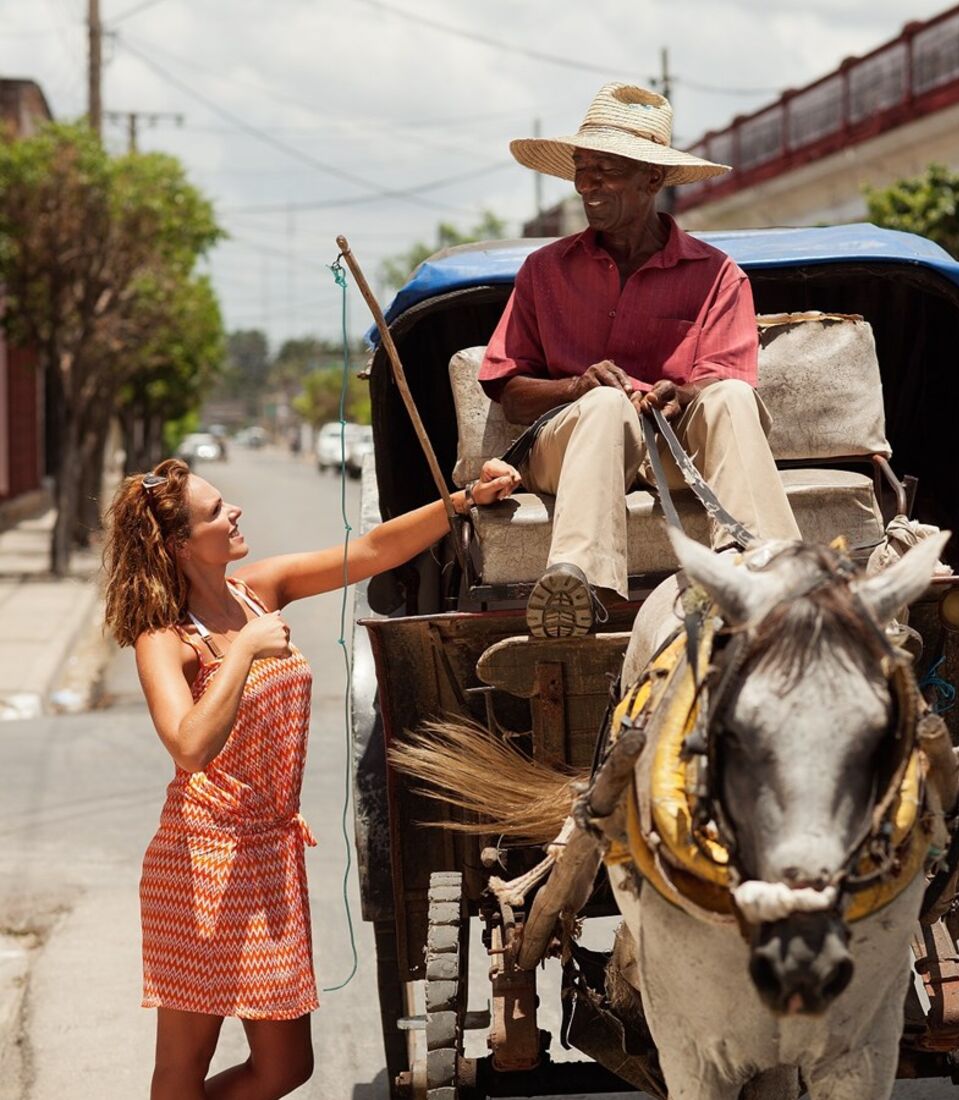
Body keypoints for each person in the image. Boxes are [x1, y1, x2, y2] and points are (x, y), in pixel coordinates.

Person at [102, 455, 518, 1099]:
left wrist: (462, 501)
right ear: (180, 547)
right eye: (216, 511)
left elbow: (374, 549)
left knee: (287, 1067)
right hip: (201, 868)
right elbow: (188, 747)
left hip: (270, 859)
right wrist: (241, 651)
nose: (234, 511)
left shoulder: (257, 590)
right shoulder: (166, 638)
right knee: (180, 1071)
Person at [480, 82, 802, 639]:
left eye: (606, 169)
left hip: (673, 449)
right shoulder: (544, 270)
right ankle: (575, 581)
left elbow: (727, 378)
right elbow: (508, 390)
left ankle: (760, 564)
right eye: (582, 168)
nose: (587, 183)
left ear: (652, 179)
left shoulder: (717, 274)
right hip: (573, 447)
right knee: (605, 402)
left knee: (729, 396)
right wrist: (576, 387)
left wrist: (682, 392)